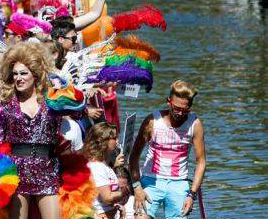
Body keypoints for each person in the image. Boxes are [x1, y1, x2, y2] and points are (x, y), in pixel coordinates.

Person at [0, 43, 61, 219]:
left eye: (23, 73)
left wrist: (66, 91)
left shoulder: (52, 101)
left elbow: (79, 111)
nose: (18, 78)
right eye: (15, 74)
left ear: (35, 75)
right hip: (16, 172)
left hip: (47, 168)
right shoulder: (5, 107)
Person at [129, 80, 205, 219]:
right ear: (168, 101)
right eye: (176, 108)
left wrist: (191, 195)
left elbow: (201, 162)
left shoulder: (195, 124)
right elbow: (134, 156)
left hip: (179, 182)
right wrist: (137, 187)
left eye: (185, 109)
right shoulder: (152, 121)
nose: (180, 113)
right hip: (151, 180)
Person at [83, 122, 126, 219]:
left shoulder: (103, 164)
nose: (117, 141)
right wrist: (124, 191)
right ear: (102, 141)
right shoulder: (97, 166)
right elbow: (107, 198)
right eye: (114, 138)